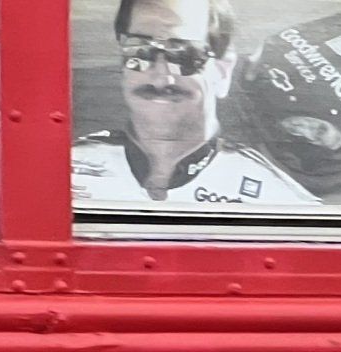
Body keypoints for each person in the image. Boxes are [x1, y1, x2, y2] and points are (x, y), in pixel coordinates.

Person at [71, 0, 318, 207]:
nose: (160, 78)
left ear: (223, 72)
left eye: (184, 55)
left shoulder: (279, 202)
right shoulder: (60, 172)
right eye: (139, 52)